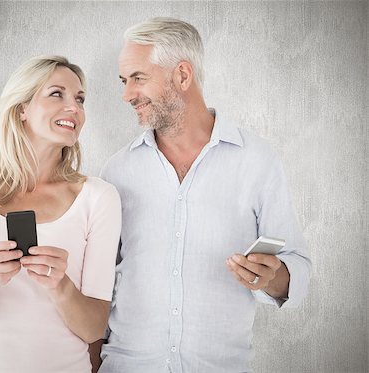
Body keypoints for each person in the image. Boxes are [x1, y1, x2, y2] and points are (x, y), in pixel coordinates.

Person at [95, 17, 312, 372]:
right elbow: (98, 286)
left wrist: (273, 277)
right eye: (124, 81)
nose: (126, 95)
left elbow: (298, 266)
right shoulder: (116, 171)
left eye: (138, 78)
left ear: (182, 75)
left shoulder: (256, 161)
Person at [0, 55, 121, 372]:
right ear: (22, 108)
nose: (75, 108)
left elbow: (93, 329)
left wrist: (60, 285)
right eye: (57, 94)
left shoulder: (98, 197)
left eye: (79, 99)